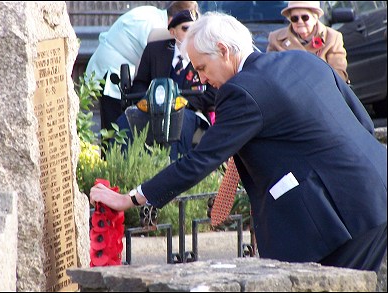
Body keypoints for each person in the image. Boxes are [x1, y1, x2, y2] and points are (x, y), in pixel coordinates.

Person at [90, 12, 387, 272]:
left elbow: (201, 160)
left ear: (223, 51)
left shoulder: (242, 90)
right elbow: (360, 118)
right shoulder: (301, 59)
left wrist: (130, 199)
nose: (202, 80)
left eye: (202, 68)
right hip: (374, 190)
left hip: (342, 219)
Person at [114, 9, 216, 161]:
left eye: (195, 30)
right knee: (124, 122)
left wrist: (182, 103)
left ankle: (174, 173)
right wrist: (148, 102)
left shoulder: (205, 55)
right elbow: (140, 83)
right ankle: (123, 170)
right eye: (186, 29)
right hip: (151, 107)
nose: (191, 34)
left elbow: (212, 93)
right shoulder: (154, 51)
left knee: (178, 126)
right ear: (173, 32)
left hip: (188, 110)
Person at [85, 1, 199, 132]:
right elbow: (151, 66)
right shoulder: (154, 27)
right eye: (186, 27)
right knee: (115, 130)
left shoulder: (152, 14)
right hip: (113, 74)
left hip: (115, 67)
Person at [267, 1, 349, 83]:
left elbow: (339, 75)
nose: (300, 21)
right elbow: (270, 72)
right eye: (294, 18)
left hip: (321, 90)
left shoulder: (332, 37)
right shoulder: (275, 38)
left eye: (305, 17)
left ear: (315, 18)